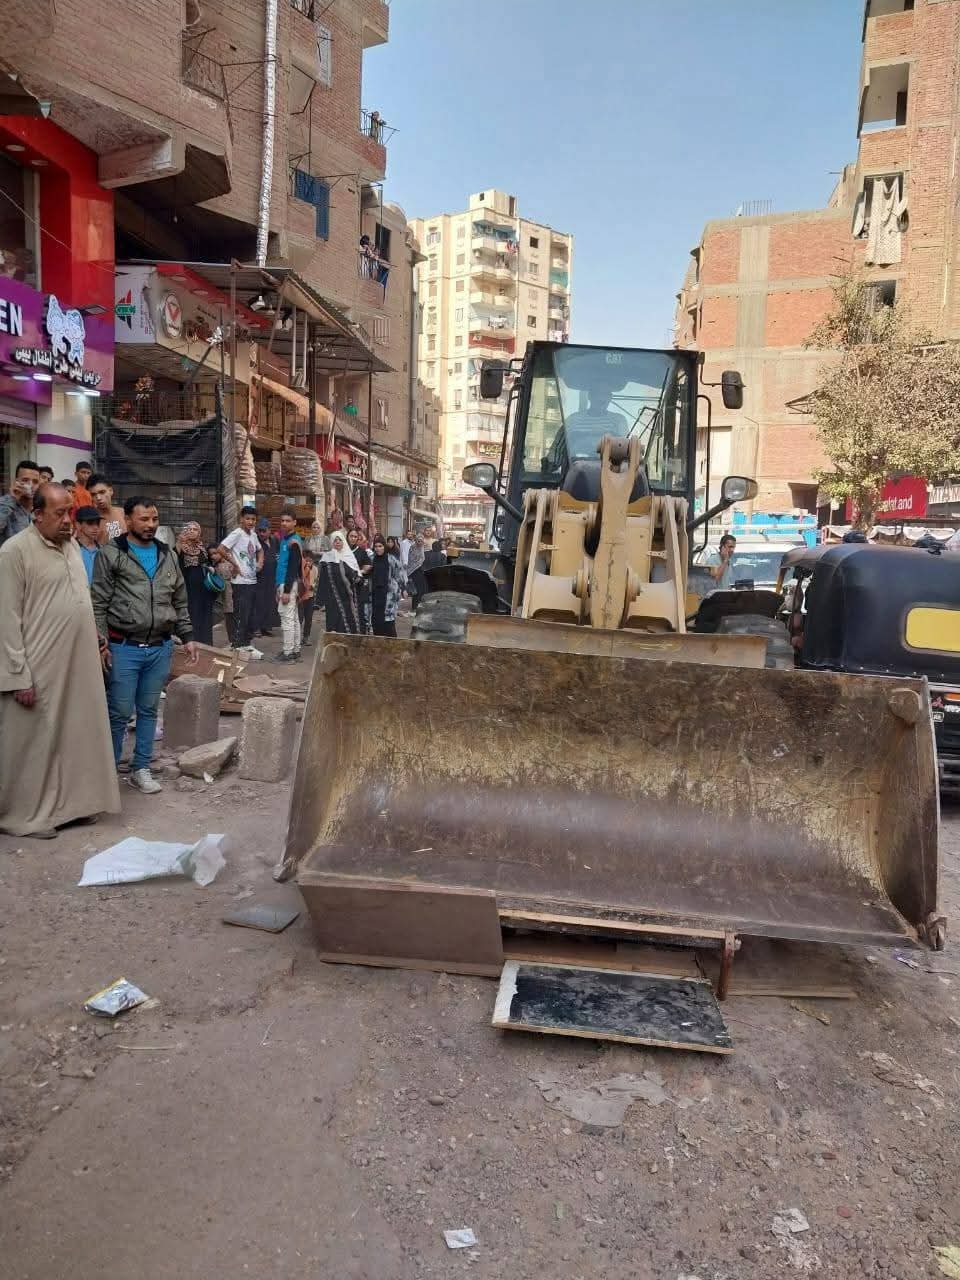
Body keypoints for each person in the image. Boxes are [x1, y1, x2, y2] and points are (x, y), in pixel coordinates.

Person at [0, 483, 120, 837]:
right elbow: (6, 619)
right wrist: (17, 674)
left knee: (76, 734)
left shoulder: (71, 547)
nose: (68, 521)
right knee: (34, 743)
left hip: (78, 662)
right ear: (37, 515)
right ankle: (26, 817)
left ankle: (73, 808)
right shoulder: (14, 552)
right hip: (38, 667)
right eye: (59, 514)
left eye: (70, 512)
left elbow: (78, 597)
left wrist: (93, 634)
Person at [92, 495, 198, 794]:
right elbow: (98, 603)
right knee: (119, 712)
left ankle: (141, 768)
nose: (151, 525)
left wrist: (188, 636)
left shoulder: (168, 555)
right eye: (144, 519)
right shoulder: (112, 554)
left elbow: (179, 599)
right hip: (123, 647)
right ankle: (107, 774)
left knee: (149, 711)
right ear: (128, 520)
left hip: (160, 647)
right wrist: (101, 643)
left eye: (154, 519)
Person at [217, 505, 262, 654]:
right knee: (241, 613)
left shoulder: (253, 535)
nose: (250, 522)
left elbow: (260, 550)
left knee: (249, 614)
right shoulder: (237, 533)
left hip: (252, 580)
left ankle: (246, 642)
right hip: (240, 582)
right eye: (247, 519)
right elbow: (221, 549)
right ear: (241, 519)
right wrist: (235, 564)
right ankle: (237, 645)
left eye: (253, 519)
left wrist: (260, 562)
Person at [176, 520, 215, 646]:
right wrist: (179, 543)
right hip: (188, 587)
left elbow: (207, 562)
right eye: (190, 529)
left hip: (204, 588)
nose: (192, 531)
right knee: (192, 612)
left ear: (199, 532)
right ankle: (191, 642)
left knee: (205, 613)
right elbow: (174, 561)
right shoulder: (180, 546)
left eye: (195, 529)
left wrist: (210, 567)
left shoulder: (202, 548)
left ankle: (205, 643)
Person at [316, 531, 363, 634]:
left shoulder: (349, 556)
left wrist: (355, 577)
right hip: (332, 597)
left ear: (343, 542)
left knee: (348, 623)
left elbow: (357, 576)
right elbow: (321, 580)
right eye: (335, 540)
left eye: (340, 540)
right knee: (334, 624)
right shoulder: (326, 558)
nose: (337, 542)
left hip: (347, 597)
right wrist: (320, 600)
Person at [274, 509, 304, 663]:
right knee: (293, 619)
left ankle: (288, 652)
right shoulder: (285, 539)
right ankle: (295, 650)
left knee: (287, 619)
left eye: (288, 521)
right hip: (285, 583)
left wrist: (286, 590)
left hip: (288, 584)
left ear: (294, 523)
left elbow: (292, 568)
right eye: (282, 520)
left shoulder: (293, 542)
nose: (284, 523)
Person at [369, 535, 405, 637]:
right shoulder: (371, 559)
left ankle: (392, 644)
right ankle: (379, 642)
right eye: (376, 546)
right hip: (375, 594)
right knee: (376, 621)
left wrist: (403, 588)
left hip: (388, 594)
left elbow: (399, 574)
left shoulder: (391, 559)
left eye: (380, 546)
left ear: (384, 547)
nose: (378, 549)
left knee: (388, 622)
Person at [0, 459, 41, 548]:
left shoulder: (40, 508)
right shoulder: (4, 503)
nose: (31, 485)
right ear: (16, 481)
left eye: (35, 482)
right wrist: (12, 499)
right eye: (25, 480)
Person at [253, 518, 279, 637]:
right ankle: (256, 627)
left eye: (264, 531)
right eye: (259, 531)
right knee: (259, 602)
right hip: (260, 576)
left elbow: (278, 554)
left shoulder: (274, 540)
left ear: (269, 530)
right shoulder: (256, 542)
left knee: (270, 602)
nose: (262, 533)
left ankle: (266, 627)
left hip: (272, 576)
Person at [87, 473, 126, 541]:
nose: (98, 498)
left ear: (111, 491)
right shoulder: (90, 519)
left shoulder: (124, 513)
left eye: (102, 492)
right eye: (93, 494)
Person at [347, 527, 372, 631]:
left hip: (357, 586)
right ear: (347, 537)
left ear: (358, 538)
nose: (353, 538)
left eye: (355, 536)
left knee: (359, 611)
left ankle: (360, 633)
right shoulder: (343, 551)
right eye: (351, 536)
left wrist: (359, 572)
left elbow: (368, 566)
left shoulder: (361, 552)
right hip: (345, 586)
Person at [74, 505, 103, 584]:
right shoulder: (71, 550)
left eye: (97, 523)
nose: (95, 527)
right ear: (78, 525)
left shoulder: (103, 550)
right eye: (90, 523)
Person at [300, 549, 319, 645]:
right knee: (300, 617)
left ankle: (306, 637)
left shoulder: (315, 569)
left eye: (310, 561)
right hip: (301, 596)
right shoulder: (301, 568)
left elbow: (317, 581)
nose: (308, 563)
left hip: (311, 596)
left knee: (309, 618)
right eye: (306, 560)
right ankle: (296, 637)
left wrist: (313, 586)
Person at [406, 533, 427, 608]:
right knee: (415, 590)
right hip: (413, 571)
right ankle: (415, 606)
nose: (420, 542)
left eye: (421, 541)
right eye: (418, 540)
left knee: (421, 589)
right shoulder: (413, 547)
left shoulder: (422, 547)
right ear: (416, 540)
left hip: (420, 570)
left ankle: (419, 605)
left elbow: (422, 558)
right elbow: (411, 559)